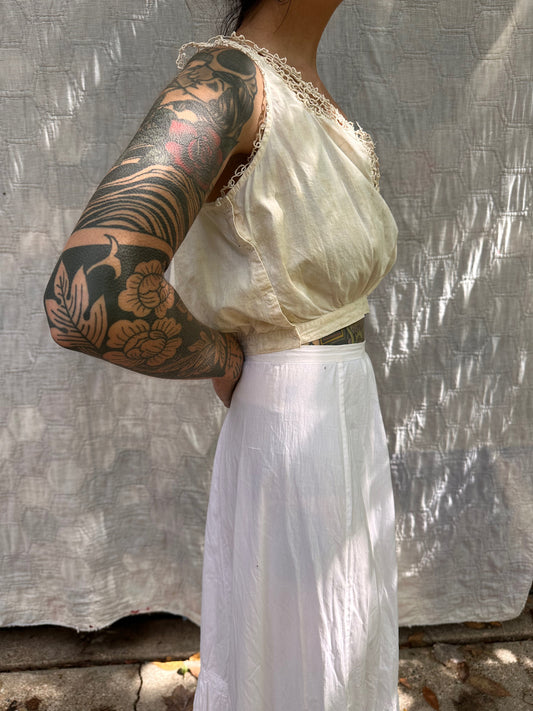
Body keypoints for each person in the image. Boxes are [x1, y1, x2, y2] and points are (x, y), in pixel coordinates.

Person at [44, 0, 400, 708]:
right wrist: (219, 356)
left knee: (335, 648)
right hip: (295, 423)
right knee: (302, 665)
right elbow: (88, 293)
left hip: (342, 415)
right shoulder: (228, 80)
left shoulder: (297, 87)